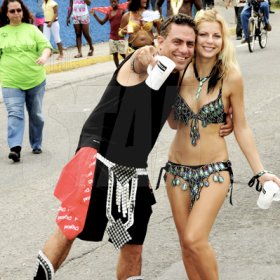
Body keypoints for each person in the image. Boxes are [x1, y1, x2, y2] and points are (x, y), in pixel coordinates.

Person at [32, 13, 199, 280]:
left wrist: (214, 115)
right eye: (177, 41)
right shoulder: (142, 60)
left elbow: (174, 122)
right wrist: (152, 59)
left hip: (133, 168)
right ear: (160, 40)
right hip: (99, 156)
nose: (184, 49)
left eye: (190, 44)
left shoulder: (176, 78)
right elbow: (142, 58)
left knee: (133, 246)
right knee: (69, 230)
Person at [148, 9, 279, 279]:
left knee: (195, 238)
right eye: (203, 35)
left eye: (216, 36)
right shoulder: (178, 73)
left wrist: (260, 172)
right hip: (176, 172)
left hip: (214, 171)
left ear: (223, 40)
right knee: (187, 245)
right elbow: (173, 124)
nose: (209, 41)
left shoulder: (231, 77)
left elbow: (241, 126)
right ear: (194, 39)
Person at [0, 0, 52, 163]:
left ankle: (36, 143)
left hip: (35, 80)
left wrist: (44, 56)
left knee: (35, 114)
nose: (16, 14)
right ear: (6, 14)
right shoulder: (1, 32)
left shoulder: (32, 30)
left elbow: (46, 46)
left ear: (23, 12)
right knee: (15, 113)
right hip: (10, 81)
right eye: (12, 11)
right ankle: (15, 148)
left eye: (18, 10)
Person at [91, 0, 126, 67]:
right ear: (110, 3)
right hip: (112, 37)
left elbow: (127, 20)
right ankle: (117, 69)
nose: (113, 3)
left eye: (115, 2)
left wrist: (125, 30)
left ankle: (127, 65)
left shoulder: (122, 11)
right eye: (111, 2)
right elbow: (102, 22)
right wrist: (94, 15)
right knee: (114, 54)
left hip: (120, 36)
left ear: (118, 2)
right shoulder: (109, 12)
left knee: (122, 53)